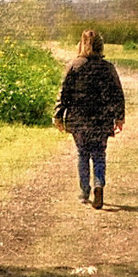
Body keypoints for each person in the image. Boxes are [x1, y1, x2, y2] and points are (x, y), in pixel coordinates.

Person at [54, 29, 124, 209]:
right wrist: (119, 117)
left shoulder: (74, 66)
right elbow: (117, 93)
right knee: (99, 155)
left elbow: (64, 93)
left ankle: (85, 191)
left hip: (78, 119)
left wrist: (58, 115)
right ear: (100, 46)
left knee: (83, 154)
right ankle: (99, 184)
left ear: (81, 45)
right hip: (101, 118)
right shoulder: (107, 67)